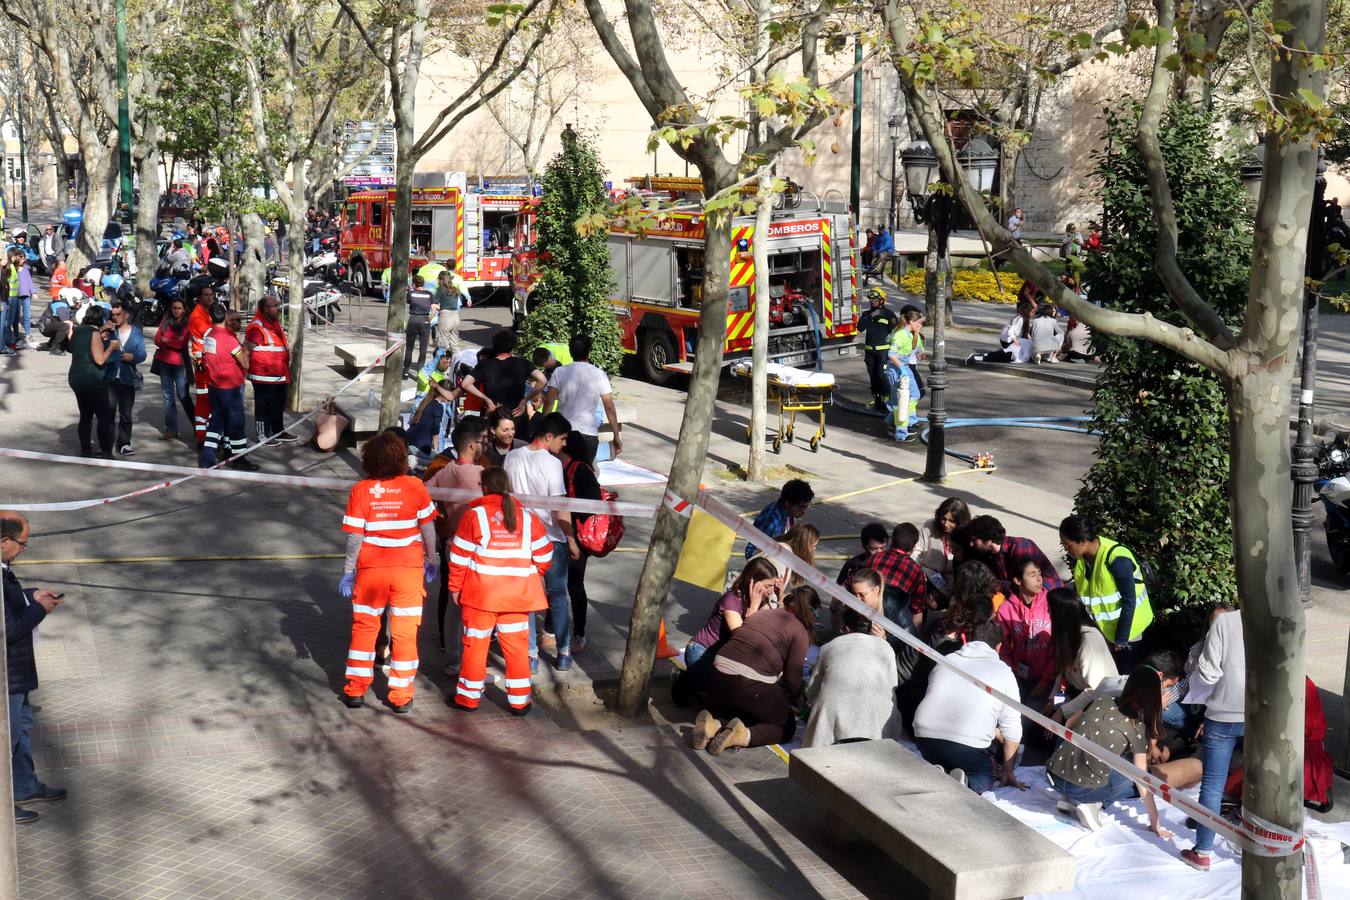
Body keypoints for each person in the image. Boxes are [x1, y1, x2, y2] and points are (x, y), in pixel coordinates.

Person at [338, 431, 439, 713]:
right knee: (405, 633)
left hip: (371, 571)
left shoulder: (361, 490)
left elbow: (355, 538)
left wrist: (348, 571)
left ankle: (355, 690)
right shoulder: (415, 486)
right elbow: (428, 529)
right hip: (408, 570)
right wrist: (432, 559)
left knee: (364, 628)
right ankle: (401, 695)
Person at [445, 466, 549, 715]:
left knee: (474, 647)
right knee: (516, 649)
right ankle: (520, 702)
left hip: (481, 597)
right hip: (517, 598)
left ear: (483, 487)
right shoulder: (526, 517)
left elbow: (458, 558)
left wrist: (455, 588)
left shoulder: (475, 516)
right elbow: (545, 556)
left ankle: (468, 699)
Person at [1047, 665, 1172, 839]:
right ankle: (1093, 804)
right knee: (1131, 776)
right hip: (1083, 789)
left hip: (1054, 775)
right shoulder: (1137, 728)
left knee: (1092, 750)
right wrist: (1155, 823)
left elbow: (1068, 726)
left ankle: (1068, 798)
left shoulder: (1102, 699)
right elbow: (1142, 779)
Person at [691, 586, 816, 754]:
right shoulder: (799, 631)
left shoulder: (763, 613)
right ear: (810, 612)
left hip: (717, 672)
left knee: (748, 707)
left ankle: (713, 724)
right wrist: (791, 701)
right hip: (746, 683)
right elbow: (793, 677)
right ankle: (742, 736)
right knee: (786, 725)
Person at [2, 511, 68, 825]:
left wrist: (30, 596)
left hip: (17, 674)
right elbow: (9, 629)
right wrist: (40, 609)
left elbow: (11, 608)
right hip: (7, 674)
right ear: (4, 542)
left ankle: (25, 786)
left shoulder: (4, 571)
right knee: (7, 739)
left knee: (22, 729)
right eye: (22, 544)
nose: (23, 550)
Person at [913, 621, 1026, 793]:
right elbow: (1012, 727)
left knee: (946, 758)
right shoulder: (1003, 671)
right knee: (986, 776)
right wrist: (1009, 769)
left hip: (924, 735)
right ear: (999, 646)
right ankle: (965, 783)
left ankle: (938, 771)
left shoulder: (947, 659)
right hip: (966, 743)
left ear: (969, 640)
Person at [503, 412, 578, 672]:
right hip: (550, 540)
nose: (564, 444)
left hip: (520, 540)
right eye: (563, 438)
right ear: (548, 437)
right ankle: (564, 652)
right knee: (557, 596)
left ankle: (531, 657)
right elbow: (559, 508)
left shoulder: (511, 457)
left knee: (527, 601)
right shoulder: (552, 464)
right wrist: (571, 539)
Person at [1179, 607, 1244, 871]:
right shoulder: (1279, 616)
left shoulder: (1226, 623)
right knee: (1264, 782)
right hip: (1264, 716)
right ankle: (1258, 846)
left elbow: (1207, 673)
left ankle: (1204, 851)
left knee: (1213, 784)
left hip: (1222, 713)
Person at [426, 417, 487, 667]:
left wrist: (440, 516)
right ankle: (471, 660)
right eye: (482, 441)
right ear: (472, 445)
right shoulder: (481, 474)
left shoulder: (444, 471)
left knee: (454, 602)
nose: (485, 445)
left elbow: (422, 494)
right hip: (478, 549)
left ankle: (453, 658)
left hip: (453, 545)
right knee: (476, 605)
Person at [802, 603, 901, 748]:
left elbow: (810, 691)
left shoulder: (830, 646)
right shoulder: (886, 647)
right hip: (876, 724)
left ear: (846, 628)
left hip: (832, 721)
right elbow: (893, 685)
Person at [1060, 514, 1152, 669]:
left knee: (1122, 678)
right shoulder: (1084, 559)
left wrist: (1120, 639)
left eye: (1068, 545)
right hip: (1106, 633)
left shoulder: (1116, 559)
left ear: (1082, 542)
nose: (1066, 550)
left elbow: (1129, 600)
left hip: (1128, 633)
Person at [199, 304, 260, 471]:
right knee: (237, 423)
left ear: (210, 317)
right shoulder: (229, 339)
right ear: (225, 318)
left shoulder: (209, 336)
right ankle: (239, 458)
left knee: (216, 422)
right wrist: (246, 350)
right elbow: (245, 363)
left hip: (214, 385)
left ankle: (208, 457)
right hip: (230, 387)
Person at [686, 557, 779, 665]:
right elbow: (743, 637)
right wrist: (753, 608)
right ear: (752, 583)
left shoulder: (759, 600)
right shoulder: (731, 600)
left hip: (724, 655)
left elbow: (774, 625)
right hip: (703, 652)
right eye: (768, 586)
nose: (771, 591)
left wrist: (780, 596)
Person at [544, 335, 623, 461]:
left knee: (563, 473)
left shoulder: (559, 372)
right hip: (588, 435)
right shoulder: (599, 374)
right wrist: (616, 435)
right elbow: (609, 407)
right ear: (589, 351)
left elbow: (549, 401)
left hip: (563, 434)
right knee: (584, 474)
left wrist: (545, 430)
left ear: (570, 351)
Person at [1046, 587, 1118, 720]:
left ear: (1060, 615)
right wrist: (1052, 701)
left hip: (1099, 703)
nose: (1047, 612)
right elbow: (1063, 674)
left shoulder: (1088, 640)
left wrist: (1062, 712)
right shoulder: (1069, 637)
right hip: (1076, 696)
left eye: (1050, 609)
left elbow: (1095, 689)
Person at [561, 430, 602, 654]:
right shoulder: (565, 468)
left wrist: (572, 518)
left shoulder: (580, 470)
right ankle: (552, 629)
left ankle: (579, 633)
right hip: (565, 532)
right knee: (559, 585)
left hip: (576, 535)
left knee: (574, 584)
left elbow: (594, 504)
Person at [462, 330, 547, 438]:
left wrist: (486, 399)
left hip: (494, 415)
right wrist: (525, 400)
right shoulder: (522, 363)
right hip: (517, 415)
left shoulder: (485, 365)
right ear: (513, 347)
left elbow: (465, 384)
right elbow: (542, 380)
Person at [994, 557, 1055, 703]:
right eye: (1032, 575)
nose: (1039, 579)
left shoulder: (1051, 602)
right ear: (1017, 580)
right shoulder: (1006, 609)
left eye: (1040, 574)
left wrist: (1046, 680)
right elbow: (1003, 647)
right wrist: (1011, 673)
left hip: (1049, 678)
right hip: (1018, 677)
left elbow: (1058, 645)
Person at [244, 293, 295, 443]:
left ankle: (278, 431)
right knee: (263, 407)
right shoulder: (256, 327)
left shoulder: (274, 323)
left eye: (278, 305)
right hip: (263, 376)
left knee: (278, 406)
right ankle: (263, 435)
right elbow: (247, 350)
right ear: (265, 309)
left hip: (279, 374)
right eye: (275, 306)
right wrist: (244, 372)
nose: (278, 309)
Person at [965, 515, 1063, 593]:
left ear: (987, 539)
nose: (971, 544)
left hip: (1049, 595)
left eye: (974, 540)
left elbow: (1026, 585)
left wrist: (994, 584)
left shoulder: (1020, 547)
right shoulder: (993, 555)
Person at [67, 305, 117, 457]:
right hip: (91, 378)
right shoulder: (94, 333)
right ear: (100, 318)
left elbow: (80, 346)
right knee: (104, 417)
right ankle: (106, 451)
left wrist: (100, 331)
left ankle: (85, 450)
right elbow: (100, 360)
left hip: (76, 377)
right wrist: (112, 347)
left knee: (85, 415)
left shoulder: (76, 331)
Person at [102, 299, 147, 456]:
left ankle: (124, 443)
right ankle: (107, 445)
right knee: (108, 413)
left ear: (126, 315)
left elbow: (143, 354)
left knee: (126, 414)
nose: (114, 317)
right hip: (110, 379)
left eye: (118, 314)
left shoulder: (136, 333)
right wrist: (101, 333)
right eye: (112, 314)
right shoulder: (108, 332)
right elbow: (98, 351)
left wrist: (133, 356)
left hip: (128, 379)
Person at [868, 523, 929, 624]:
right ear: (913, 548)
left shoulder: (875, 557)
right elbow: (917, 610)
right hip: (894, 621)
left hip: (869, 611)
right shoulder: (917, 571)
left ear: (891, 541)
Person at [153, 298, 196, 440]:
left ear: (184, 310)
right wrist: (168, 342)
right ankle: (171, 429)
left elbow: (180, 344)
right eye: (174, 308)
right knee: (167, 397)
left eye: (179, 308)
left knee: (183, 396)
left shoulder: (187, 323)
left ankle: (198, 427)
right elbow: (157, 339)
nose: (176, 310)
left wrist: (167, 341)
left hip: (179, 364)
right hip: (164, 362)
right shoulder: (165, 320)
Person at [914, 497, 970, 596]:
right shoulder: (930, 525)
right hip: (928, 574)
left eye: (951, 521)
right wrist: (917, 570)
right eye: (943, 519)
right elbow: (916, 550)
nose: (945, 524)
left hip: (952, 579)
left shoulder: (966, 535)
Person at [744, 478, 813, 559]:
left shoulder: (788, 513)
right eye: (801, 507)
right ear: (788, 503)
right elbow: (751, 553)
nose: (804, 511)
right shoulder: (771, 521)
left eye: (807, 506)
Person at [187, 285, 216, 446]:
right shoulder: (198, 317)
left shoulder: (204, 314)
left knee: (206, 402)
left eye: (211, 295)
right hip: (203, 366)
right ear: (199, 297)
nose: (210, 297)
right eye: (206, 295)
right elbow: (212, 336)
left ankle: (204, 434)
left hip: (205, 364)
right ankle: (203, 436)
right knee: (205, 401)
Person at [858, 288, 897, 409]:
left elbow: (895, 332)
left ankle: (887, 400)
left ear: (881, 300)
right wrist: (871, 316)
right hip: (870, 350)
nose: (872, 302)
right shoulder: (866, 314)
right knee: (873, 375)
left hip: (883, 351)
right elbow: (860, 328)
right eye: (871, 300)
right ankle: (877, 399)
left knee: (881, 375)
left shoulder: (889, 314)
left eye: (875, 300)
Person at [836, 522, 889, 588]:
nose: (879, 552)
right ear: (864, 546)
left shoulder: (891, 564)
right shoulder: (853, 565)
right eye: (874, 549)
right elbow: (838, 590)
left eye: (882, 548)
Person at [403, 274, 435, 378]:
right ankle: (420, 373)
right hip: (425, 320)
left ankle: (406, 372)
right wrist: (428, 320)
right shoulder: (429, 294)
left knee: (409, 348)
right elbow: (434, 309)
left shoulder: (411, 293)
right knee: (423, 350)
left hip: (413, 320)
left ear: (414, 284)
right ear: (423, 284)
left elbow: (406, 302)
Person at [433, 264, 471, 352]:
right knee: (454, 344)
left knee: (443, 344)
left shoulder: (440, 289)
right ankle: (457, 363)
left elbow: (435, 303)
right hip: (455, 317)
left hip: (445, 317)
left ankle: (440, 364)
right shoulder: (454, 289)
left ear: (441, 279)